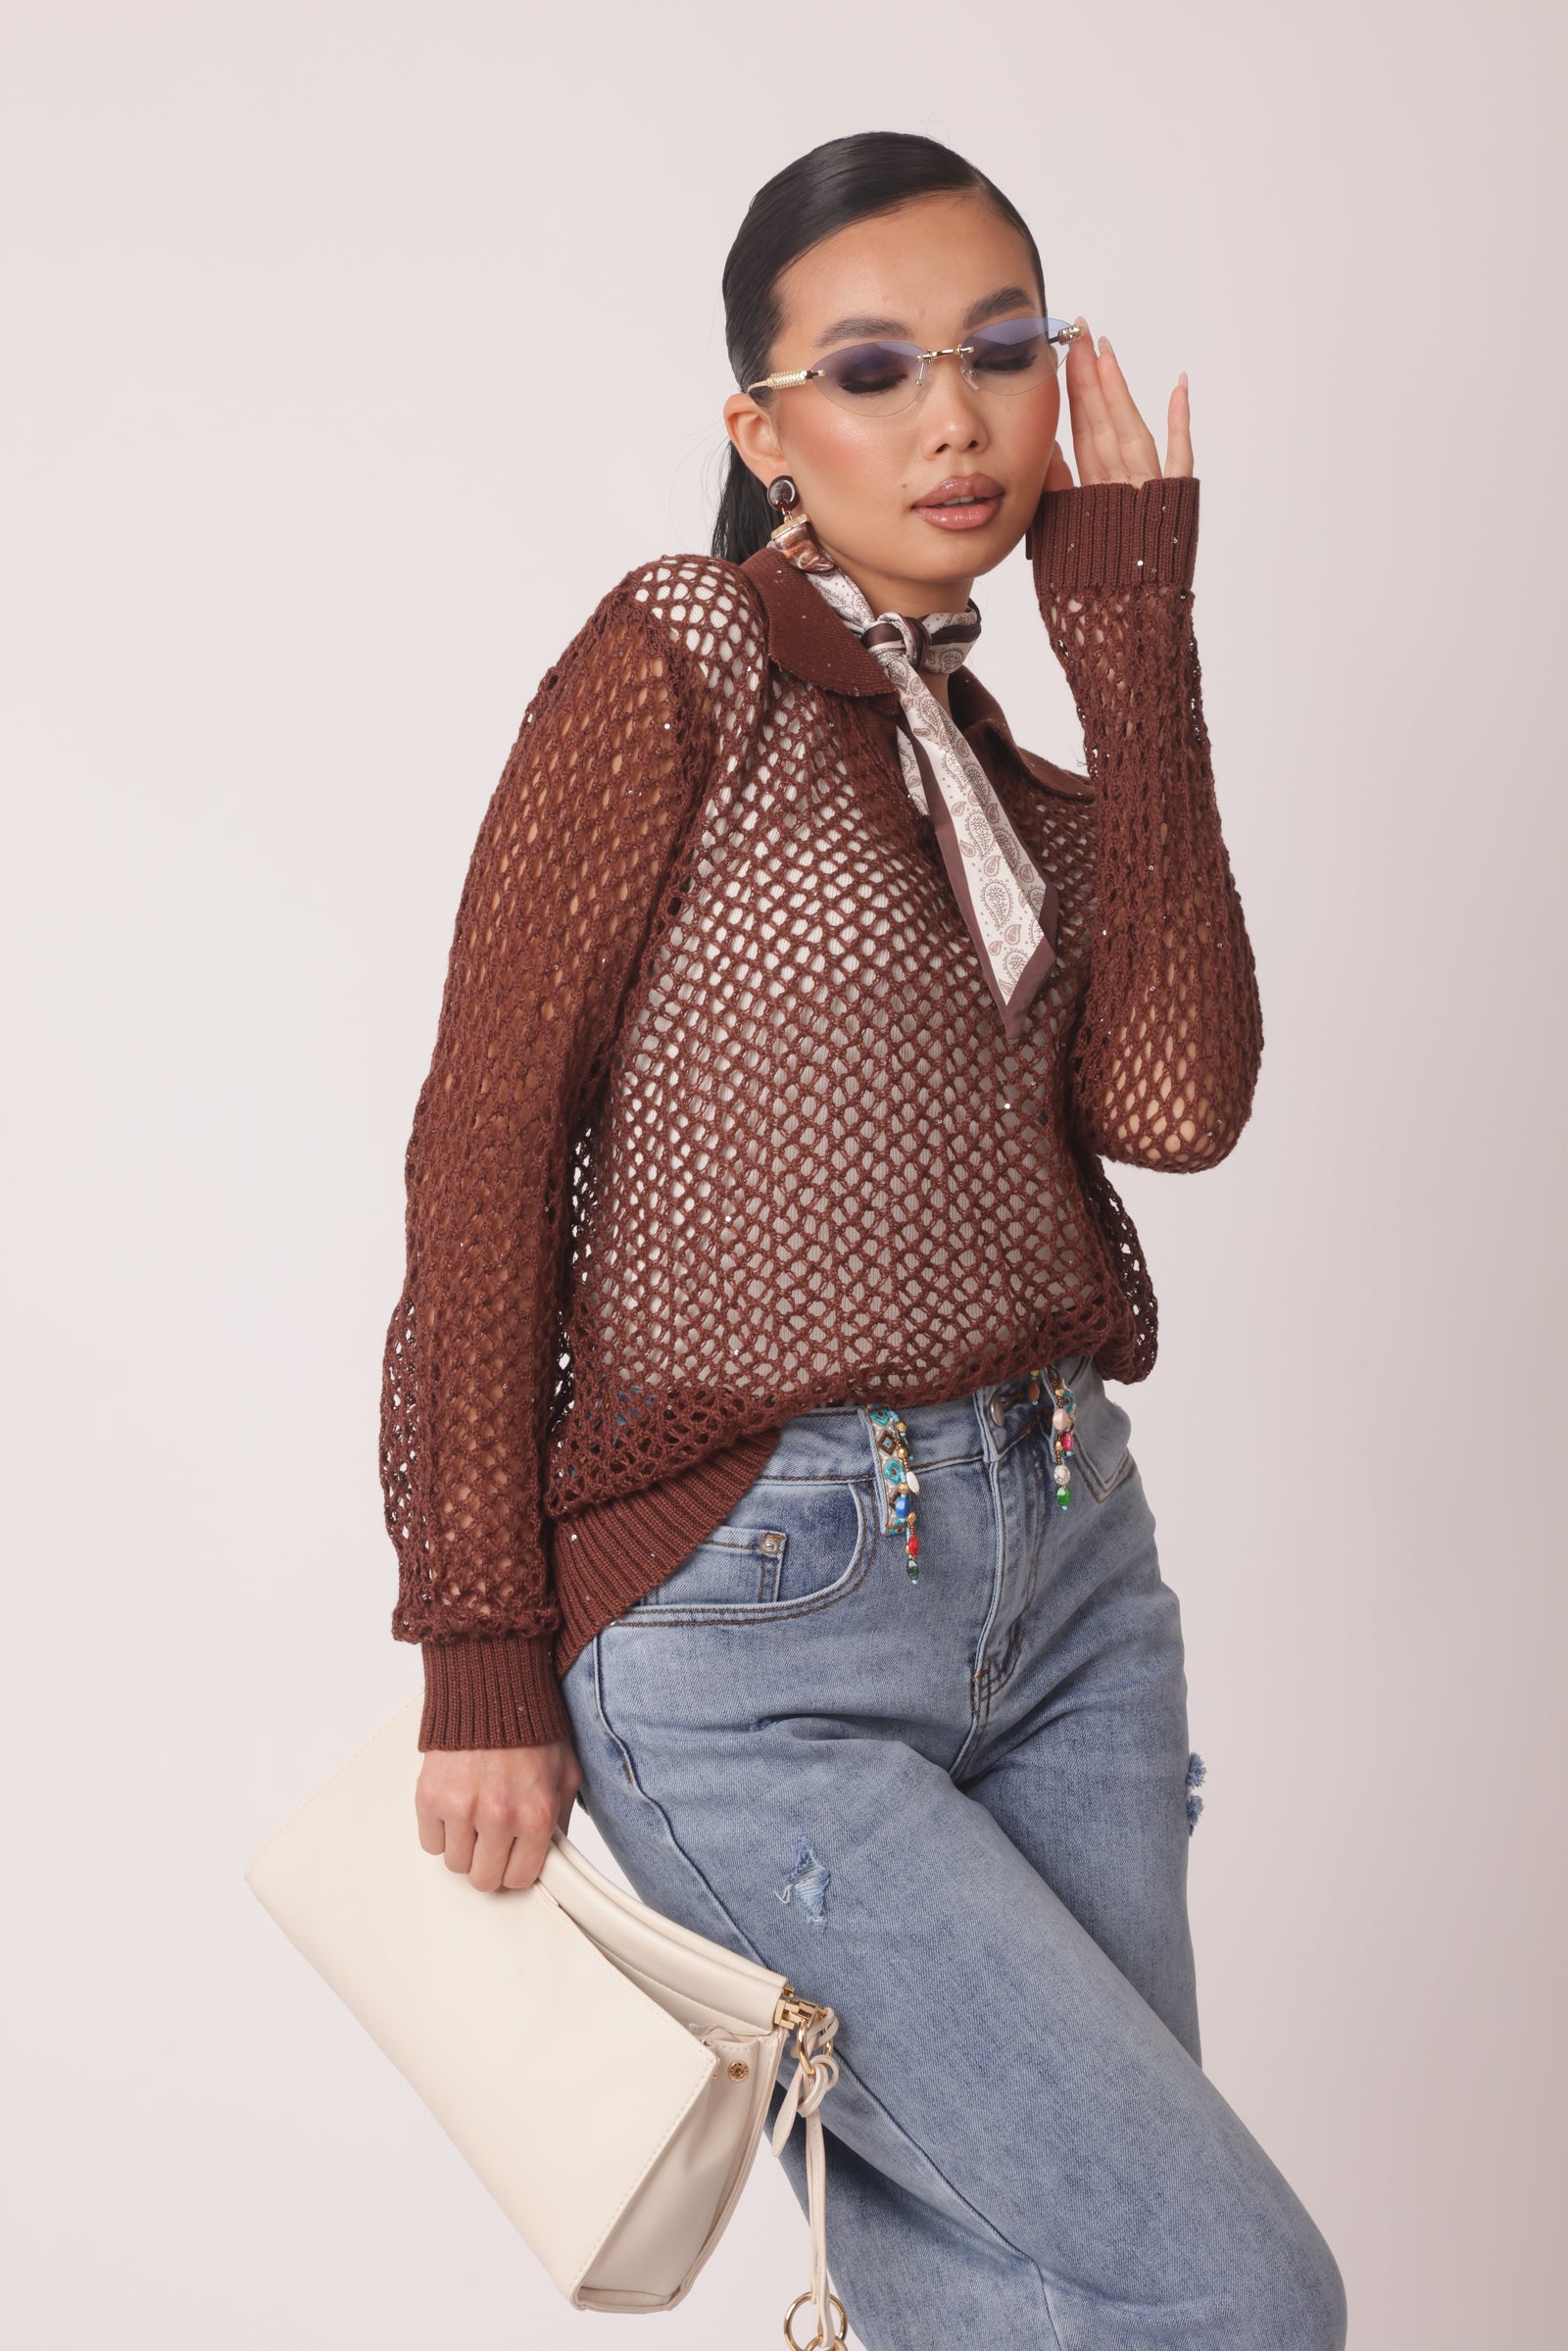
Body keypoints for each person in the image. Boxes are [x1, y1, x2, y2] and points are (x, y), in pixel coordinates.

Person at [378, 129, 1348, 2350]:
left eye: (1000, 354)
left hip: (1070, 1585)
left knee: (1024, 2298)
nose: (952, 418)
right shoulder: (680, 658)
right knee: (1230, 2297)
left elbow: (1175, 1107)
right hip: (754, 1636)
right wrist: (478, 1642)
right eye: (875, 367)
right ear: (762, 431)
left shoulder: (994, 753)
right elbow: (486, 1147)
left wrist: (1135, 639)